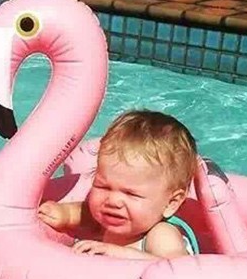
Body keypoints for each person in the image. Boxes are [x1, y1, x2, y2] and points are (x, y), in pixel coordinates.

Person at [37, 109, 199, 259]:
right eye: (103, 186)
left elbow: (177, 270)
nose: (113, 201)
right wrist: (61, 213)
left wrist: (118, 253)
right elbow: (81, 213)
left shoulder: (161, 234)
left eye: (131, 193)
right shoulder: (107, 218)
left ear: (171, 203)